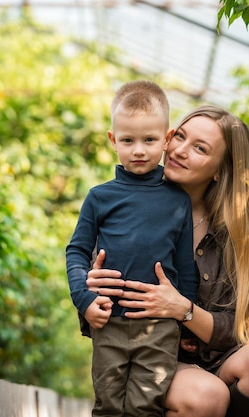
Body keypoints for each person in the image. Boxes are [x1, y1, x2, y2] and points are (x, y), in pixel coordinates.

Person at [87, 105, 249, 417]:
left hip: (219, 360)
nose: (180, 151)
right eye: (180, 136)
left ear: (221, 170)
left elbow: (243, 329)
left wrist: (182, 309)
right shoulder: (127, 206)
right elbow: (97, 311)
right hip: (154, 356)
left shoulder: (236, 233)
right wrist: (92, 291)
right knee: (206, 397)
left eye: (199, 148)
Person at [66, 80, 199, 417]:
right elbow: (77, 251)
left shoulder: (178, 201)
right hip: (109, 320)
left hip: (159, 326)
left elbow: (185, 268)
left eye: (149, 140)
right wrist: (85, 301)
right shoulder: (100, 197)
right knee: (108, 403)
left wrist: (185, 323)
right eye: (128, 140)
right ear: (113, 141)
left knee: (145, 405)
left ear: (166, 139)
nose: (138, 150)